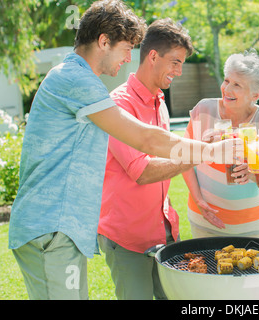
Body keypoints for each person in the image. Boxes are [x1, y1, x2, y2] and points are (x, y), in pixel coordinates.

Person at [8, 0, 240, 300]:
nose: (130, 58)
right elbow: (146, 140)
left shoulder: (76, 79)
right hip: (51, 228)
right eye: (126, 48)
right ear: (103, 41)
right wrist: (213, 152)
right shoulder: (76, 80)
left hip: (59, 229)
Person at [97, 18, 195, 300]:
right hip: (127, 237)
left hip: (163, 231)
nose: (178, 71)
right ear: (153, 56)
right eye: (175, 62)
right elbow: (142, 171)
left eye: (182, 64)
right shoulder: (119, 105)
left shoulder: (159, 101)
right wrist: (197, 155)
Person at [182, 50, 259, 238]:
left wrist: (253, 172)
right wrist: (199, 201)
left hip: (252, 225)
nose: (227, 89)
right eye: (226, 80)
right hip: (204, 218)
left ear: (255, 94)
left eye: (237, 84)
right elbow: (184, 158)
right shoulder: (204, 110)